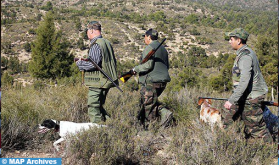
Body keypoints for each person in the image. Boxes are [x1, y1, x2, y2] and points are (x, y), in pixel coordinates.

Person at [222, 28, 273, 143]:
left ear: (239, 40)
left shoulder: (245, 56)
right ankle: (229, 145)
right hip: (244, 95)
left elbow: (244, 81)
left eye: (231, 39)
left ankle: (270, 151)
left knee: (256, 128)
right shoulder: (243, 53)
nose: (229, 42)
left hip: (252, 96)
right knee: (229, 119)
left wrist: (232, 100)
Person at [76, 21, 118, 123]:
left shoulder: (96, 44)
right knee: (99, 107)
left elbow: (92, 65)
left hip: (98, 82)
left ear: (91, 30)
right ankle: (111, 126)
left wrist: (80, 64)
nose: (86, 33)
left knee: (93, 107)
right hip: (107, 80)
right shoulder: (106, 42)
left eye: (87, 31)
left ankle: (98, 131)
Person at [132, 28, 173, 129]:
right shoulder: (163, 49)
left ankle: (150, 129)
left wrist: (135, 69)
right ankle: (164, 112)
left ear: (149, 37)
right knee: (151, 102)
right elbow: (167, 66)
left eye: (145, 37)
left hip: (151, 81)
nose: (144, 39)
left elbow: (148, 65)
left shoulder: (149, 47)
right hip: (162, 81)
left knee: (147, 107)